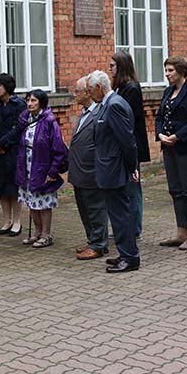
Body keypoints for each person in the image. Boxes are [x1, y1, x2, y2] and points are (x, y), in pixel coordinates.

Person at [87, 70, 140, 273]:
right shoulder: (107, 104)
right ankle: (125, 252)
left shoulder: (115, 105)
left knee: (121, 214)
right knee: (117, 214)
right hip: (109, 168)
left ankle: (130, 257)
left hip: (115, 169)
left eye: (91, 90)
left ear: (99, 88)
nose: (90, 94)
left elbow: (127, 141)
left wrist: (131, 167)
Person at [155, 56, 187, 250]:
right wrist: (160, 134)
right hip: (168, 147)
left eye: (171, 70)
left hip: (186, 146)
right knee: (175, 190)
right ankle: (180, 232)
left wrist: (177, 136)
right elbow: (160, 115)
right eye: (166, 70)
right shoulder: (168, 91)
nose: (167, 74)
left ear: (181, 71)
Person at [15, 89, 66, 248]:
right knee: (31, 201)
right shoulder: (25, 119)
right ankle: (37, 232)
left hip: (42, 166)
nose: (30, 103)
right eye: (28, 100)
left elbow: (58, 148)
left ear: (41, 103)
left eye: (34, 101)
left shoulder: (49, 121)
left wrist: (53, 171)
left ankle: (46, 234)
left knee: (43, 202)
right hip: (27, 164)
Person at [109, 51, 150, 239]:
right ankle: (127, 226)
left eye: (112, 66)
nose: (110, 69)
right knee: (125, 188)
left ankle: (134, 229)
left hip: (131, 146)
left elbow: (129, 120)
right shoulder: (119, 88)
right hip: (122, 146)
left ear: (121, 67)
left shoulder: (131, 88)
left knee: (132, 189)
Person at [69, 76, 108, 260]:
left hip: (91, 170)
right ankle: (93, 239)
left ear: (87, 92)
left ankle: (98, 244)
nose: (74, 94)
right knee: (84, 208)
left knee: (95, 209)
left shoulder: (99, 112)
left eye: (77, 91)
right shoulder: (84, 113)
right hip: (79, 171)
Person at [0, 73, 27, 236]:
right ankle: (6, 220)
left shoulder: (19, 105)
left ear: (7, 87)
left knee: (13, 187)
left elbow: (19, 128)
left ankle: (17, 221)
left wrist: (2, 143)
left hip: (12, 151)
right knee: (1, 187)